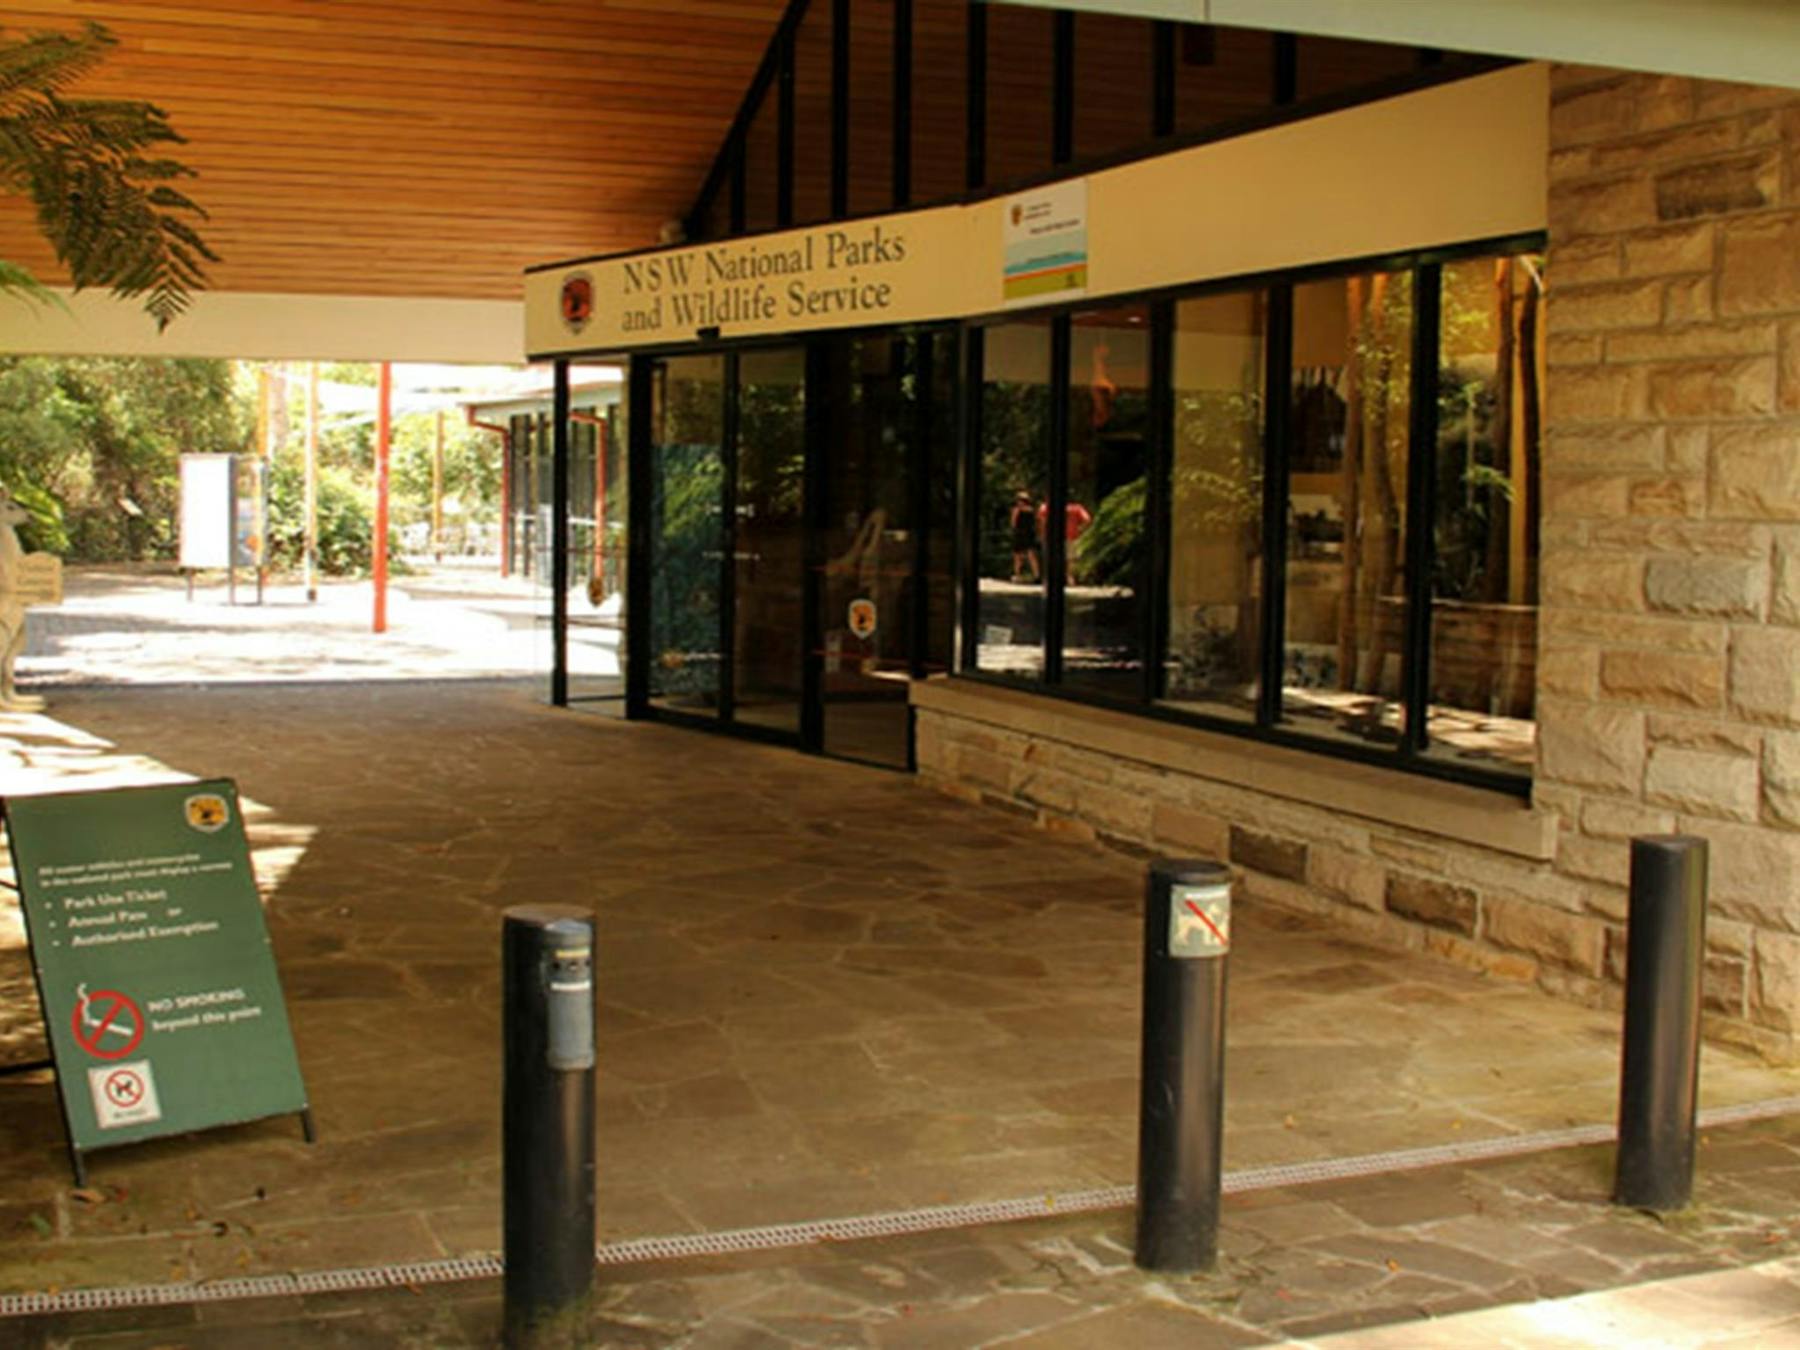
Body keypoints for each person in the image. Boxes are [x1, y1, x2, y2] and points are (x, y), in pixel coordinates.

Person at [1036, 497, 1093, 583]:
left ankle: (1053, 578)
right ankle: (1070, 578)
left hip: (1052, 537)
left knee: (1053, 557)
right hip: (1072, 536)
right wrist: (1080, 529)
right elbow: (1087, 520)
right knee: (1071, 558)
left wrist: (1042, 533)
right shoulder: (1077, 508)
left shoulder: (1046, 507)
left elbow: (1042, 520)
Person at [1008, 490, 1040, 583]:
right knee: (1030, 555)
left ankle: (1018, 575)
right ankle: (1036, 575)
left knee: (1019, 555)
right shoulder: (1032, 510)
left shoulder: (1017, 510)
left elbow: (1013, 523)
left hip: (1021, 533)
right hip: (1029, 533)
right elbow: (1037, 522)